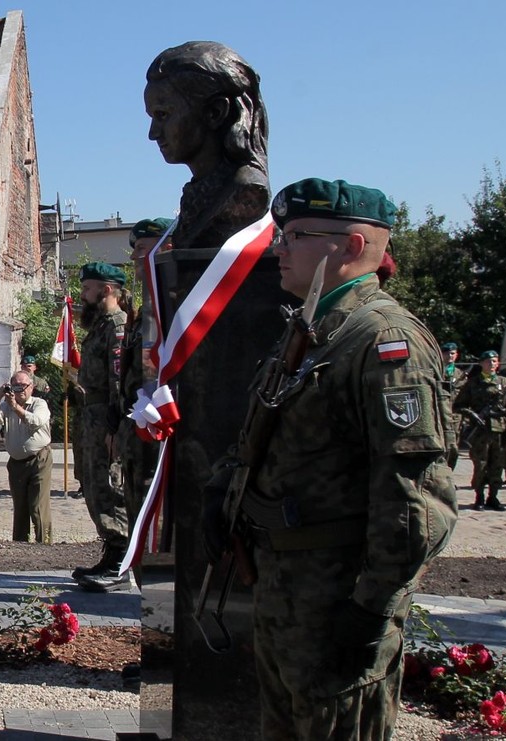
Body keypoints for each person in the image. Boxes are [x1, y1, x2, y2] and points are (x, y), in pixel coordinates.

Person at [210, 178, 457, 739]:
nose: (279, 248)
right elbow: (264, 432)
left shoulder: (385, 342)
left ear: (351, 247)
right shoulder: (312, 331)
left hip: (338, 593)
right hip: (285, 586)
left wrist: (372, 608)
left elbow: (414, 496)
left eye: (295, 235)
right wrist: (222, 491)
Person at [144, 41, 269, 252]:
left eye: (163, 115)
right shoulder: (202, 191)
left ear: (215, 112)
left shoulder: (245, 191)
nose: (153, 133)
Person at [69, 262, 130, 592]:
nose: (84, 294)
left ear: (106, 290)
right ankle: (111, 553)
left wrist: (113, 427)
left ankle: (120, 561)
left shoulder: (117, 326)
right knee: (93, 485)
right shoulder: (101, 326)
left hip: (105, 418)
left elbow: (118, 380)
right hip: (91, 415)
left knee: (109, 487)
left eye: (88, 288)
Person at [115, 218, 173, 555]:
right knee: (137, 501)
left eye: (141, 248)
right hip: (138, 428)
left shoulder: (171, 305)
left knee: (156, 512)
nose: (135, 256)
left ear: (165, 247)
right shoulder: (145, 310)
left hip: (160, 430)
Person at [0, 370, 52, 542]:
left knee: (38, 506)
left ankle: (45, 542)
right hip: (16, 462)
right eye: (15, 386)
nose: (20, 390)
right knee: (20, 507)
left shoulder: (39, 404)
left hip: (39, 459)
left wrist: (15, 407)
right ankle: (19, 544)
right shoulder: (6, 405)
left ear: (31, 387)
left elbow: (35, 421)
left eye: (23, 386)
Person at [454, 350, 506, 511]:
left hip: (499, 430)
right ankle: (479, 496)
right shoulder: (472, 384)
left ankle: (493, 497)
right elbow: (458, 405)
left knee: (497, 465)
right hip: (480, 431)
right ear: (481, 363)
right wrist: (473, 415)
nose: (492, 364)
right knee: (480, 465)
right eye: (488, 361)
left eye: (495, 361)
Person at [440, 342, 467, 471]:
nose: (449, 356)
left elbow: (465, 398)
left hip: (454, 416)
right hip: (439, 414)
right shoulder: (437, 372)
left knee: (453, 448)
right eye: (446, 353)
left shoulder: (461, 375)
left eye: (452, 353)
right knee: (440, 447)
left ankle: (450, 473)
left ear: (456, 355)